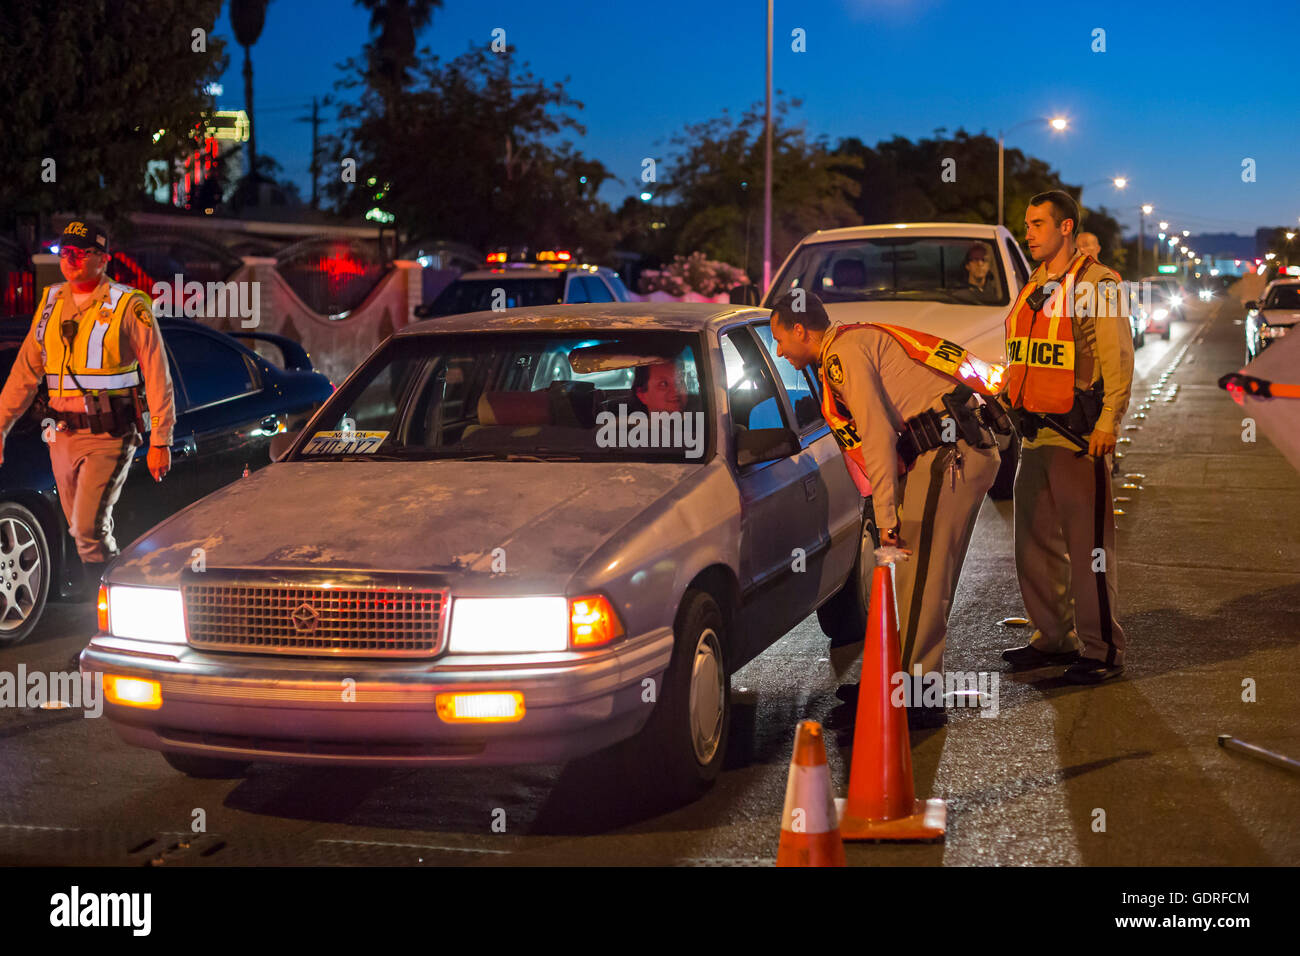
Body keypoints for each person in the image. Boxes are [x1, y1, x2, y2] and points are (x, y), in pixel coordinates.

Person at [769, 291, 1002, 727]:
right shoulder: (850, 343)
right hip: (950, 451)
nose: (780, 351)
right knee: (918, 580)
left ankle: (916, 697)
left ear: (801, 330)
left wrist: (888, 519)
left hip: (948, 455)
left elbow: (876, 438)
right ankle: (896, 682)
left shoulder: (841, 356)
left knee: (923, 580)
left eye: (781, 339)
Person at [0, 221, 175, 600]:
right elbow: (26, 372)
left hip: (110, 433)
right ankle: (109, 597)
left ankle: (104, 604)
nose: (70, 259)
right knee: (82, 528)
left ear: (103, 259)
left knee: (86, 527)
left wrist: (161, 438)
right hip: (62, 435)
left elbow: (157, 372)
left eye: (80, 252)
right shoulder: (50, 302)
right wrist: (1, 426)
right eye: (65, 252)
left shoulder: (128, 304)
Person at [999, 191, 1133, 683]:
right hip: (1034, 435)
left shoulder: (1097, 284)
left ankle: (1102, 650)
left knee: (1089, 549)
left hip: (1078, 437)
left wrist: (1109, 423)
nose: (1028, 232)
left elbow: (1118, 359)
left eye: (1037, 224)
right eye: (1027, 224)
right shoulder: (1035, 282)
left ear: (1066, 227)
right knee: (1033, 544)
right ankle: (1052, 638)